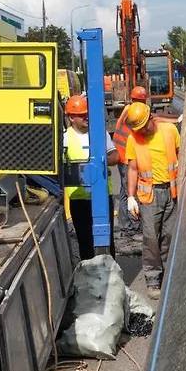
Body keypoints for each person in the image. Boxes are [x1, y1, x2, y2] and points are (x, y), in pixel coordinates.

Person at [124, 102, 180, 300]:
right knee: (150, 238)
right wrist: (130, 196)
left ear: (150, 119)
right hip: (149, 196)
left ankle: (168, 274)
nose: (142, 131)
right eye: (138, 129)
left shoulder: (169, 130)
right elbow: (132, 169)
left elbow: (181, 152)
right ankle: (153, 279)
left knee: (170, 236)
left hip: (172, 191)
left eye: (144, 126)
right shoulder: (134, 139)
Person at [63, 95, 118, 261]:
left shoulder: (99, 133)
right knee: (85, 242)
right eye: (81, 114)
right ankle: (90, 276)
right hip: (79, 200)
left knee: (106, 241)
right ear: (71, 117)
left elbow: (115, 156)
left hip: (102, 196)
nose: (86, 116)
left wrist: (101, 161)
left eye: (87, 113)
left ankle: (110, 275)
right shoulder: (65, 139)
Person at [112, 85, 149, 237]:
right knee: (130, 191)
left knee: (124, 190)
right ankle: (131, 226)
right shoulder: (134, 112)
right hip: (125, 156)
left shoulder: (127, 108)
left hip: (121, 154)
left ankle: (125, 224)